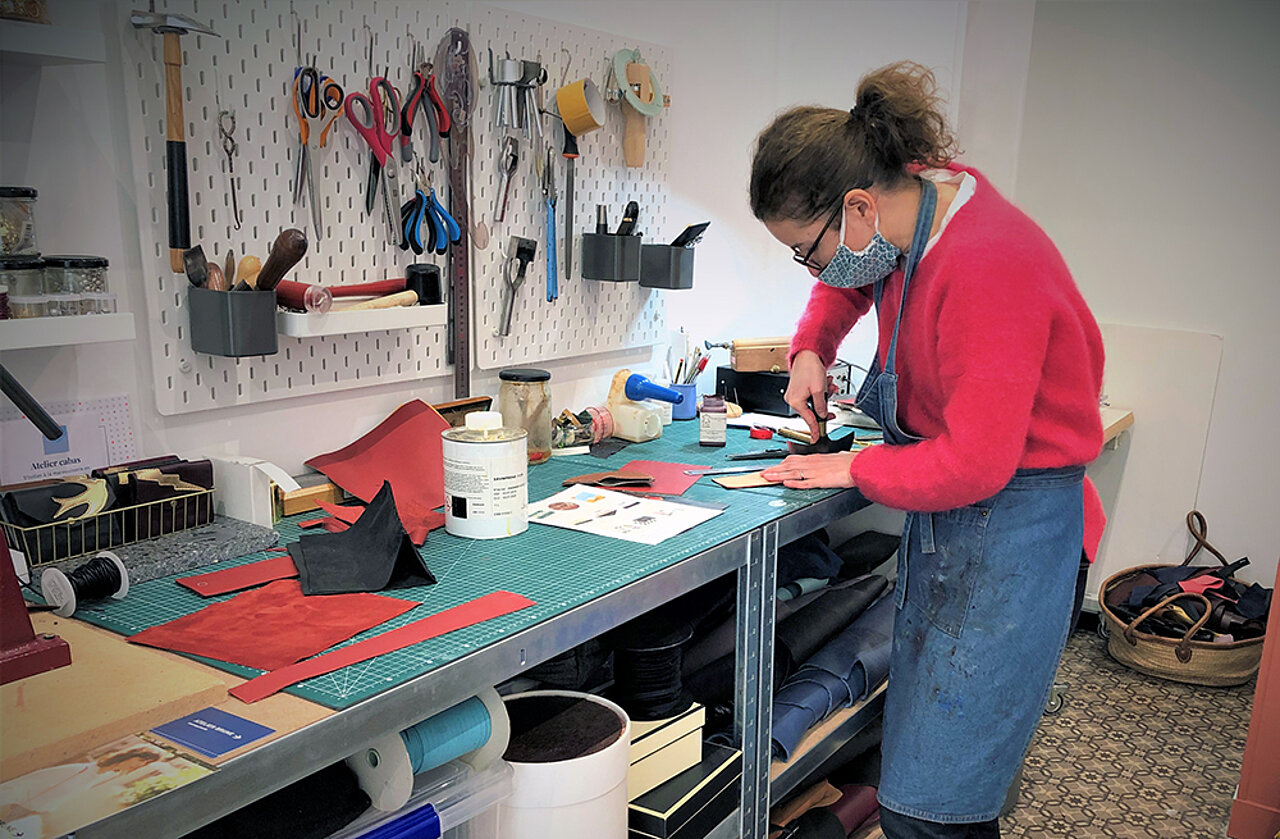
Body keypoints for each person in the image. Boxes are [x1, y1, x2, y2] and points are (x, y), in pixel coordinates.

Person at [750, 62, 1106, 838]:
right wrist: (809, 347)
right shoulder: (909, 212)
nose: (812, 269)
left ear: (857, 206)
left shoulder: (987, 263)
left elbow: (976, 462)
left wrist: (853, 467)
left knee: (934, 807)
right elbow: (848, 278)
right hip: (962, 523)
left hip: (1015, 529)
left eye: (805, 251)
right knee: (925, 780)